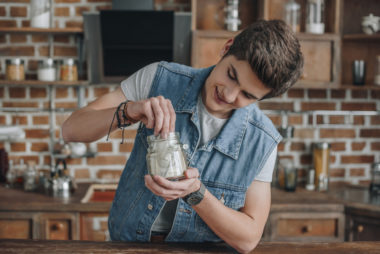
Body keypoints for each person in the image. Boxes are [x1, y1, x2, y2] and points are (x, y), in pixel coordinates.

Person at [62, 19, 303, 253]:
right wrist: (130, 110)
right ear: (227, 48)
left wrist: (196, 193)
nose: (229, 96)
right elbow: (71, 130)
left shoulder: (262, 140)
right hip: (126, 247)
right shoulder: (159, 78)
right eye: (231, 75)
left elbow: (248, 239)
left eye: (247, 95)